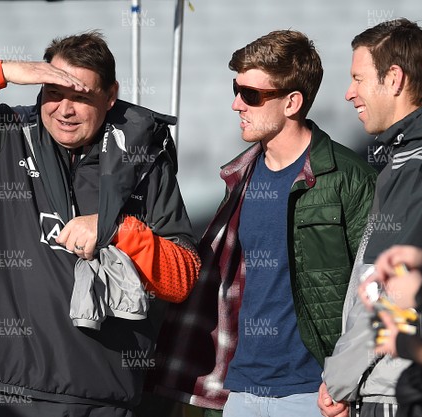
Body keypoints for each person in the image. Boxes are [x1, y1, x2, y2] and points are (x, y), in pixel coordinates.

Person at [0, 31, 201, 417]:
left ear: (111, 95)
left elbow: (183, 276)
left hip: (104, 397)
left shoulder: (143, 157)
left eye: (81, 96)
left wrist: (117, 231)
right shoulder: (1, 135)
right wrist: (3, 71)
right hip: (4, 392)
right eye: (53, 91)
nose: (65, 109)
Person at [146, 29, 377, 417]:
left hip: (316, 394)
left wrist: (344, 380)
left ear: (292, 102)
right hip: (240, 390)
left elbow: (373, 294)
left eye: (251, 95)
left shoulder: (348, 177)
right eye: (236, 90)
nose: (237, 104)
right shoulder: (239, 176)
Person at [318, 18, 422, 417]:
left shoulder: (418, 166)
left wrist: (339, 380)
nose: (349, 93)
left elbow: (389, 293)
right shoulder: (418, 158)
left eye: (358, 78)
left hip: (393, 392)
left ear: (394, 78)